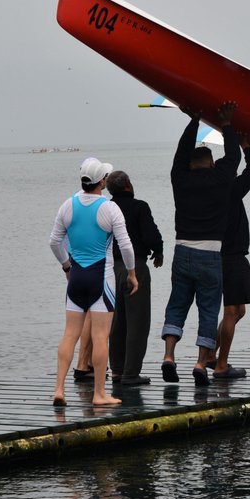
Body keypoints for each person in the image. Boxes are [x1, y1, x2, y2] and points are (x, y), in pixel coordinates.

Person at [161, 102, 240, 386]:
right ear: (210, 163)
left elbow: (179, 155)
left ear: (190, 165)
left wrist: (194, 121)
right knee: (208, 309)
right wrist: (228, 124)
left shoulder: (179, 179)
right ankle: (199, 363)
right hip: (210, 254)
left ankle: (169, 356)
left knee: (177, 305)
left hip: (182, 251)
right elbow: (234, 157)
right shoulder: (221, 179)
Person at [49, 158, 139, 407]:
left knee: (69, 335)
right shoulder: (110, 209)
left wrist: (67, 265)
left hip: (76, 278)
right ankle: (99, 394)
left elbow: (54, 242)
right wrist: (131, 273)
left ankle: (59, 389)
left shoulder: (68, 205)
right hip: (101, 279)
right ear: (103, 181)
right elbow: (126, 245)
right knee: (101, 337)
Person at [206, 133, 250, 379]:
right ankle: (221, 365)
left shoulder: (209, 193)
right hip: (232, 256)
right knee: (231, 311)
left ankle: (210, 354)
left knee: (239, 310)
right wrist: (245, 144)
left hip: (219, 256)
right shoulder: (231, 191)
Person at [106, 170, 164, 386]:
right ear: (128, 184)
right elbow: (151, 235)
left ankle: (117, 370)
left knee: (117, 322)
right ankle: (131, 373)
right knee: (137, 322)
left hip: (111, 268)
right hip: (135, 267)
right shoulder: (139, 206)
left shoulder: (106, 208)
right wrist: (158, 251)